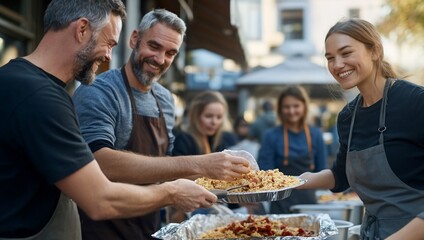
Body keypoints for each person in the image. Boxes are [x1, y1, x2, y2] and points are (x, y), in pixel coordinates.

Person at [0, 1, 242, 238]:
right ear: (82, 29)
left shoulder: (17, 80)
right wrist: (176, 189)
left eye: (170, 53)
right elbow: (99, 198)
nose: (107, 56)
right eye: (108, 43)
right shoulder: (44, 97)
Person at [72, 9, 249, 240]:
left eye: (170, 53)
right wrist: (200, 163)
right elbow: (98, 162)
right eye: (154, 47)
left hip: (151, 228)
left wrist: (234, 185)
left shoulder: (165, 99)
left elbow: (163, 168)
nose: (160, 59)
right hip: (101, 230)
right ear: (135, 38)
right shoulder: (100, 90)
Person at [299, 18, 424, 239]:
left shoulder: (417, 103)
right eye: (330, 58)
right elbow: (340, 176)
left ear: (375, 51)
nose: (337, 64)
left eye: (346, 53)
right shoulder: (348, 116)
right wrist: (289, 182)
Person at [258, 86, 327, 214]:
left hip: (309, 204)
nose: (291, 111)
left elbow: (322, 171)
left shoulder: (316, 134)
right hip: (280, 204)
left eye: (296, 106)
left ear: (304, 107)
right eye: (287, 107)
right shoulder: (271, 136)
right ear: (280, 109)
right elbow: (264, 173)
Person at [171, 91, 240, 220]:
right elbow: (175, 174)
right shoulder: (182, 138)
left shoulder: (220, 140)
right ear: (196, 116)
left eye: (219, 117)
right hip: (188, 209)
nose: (214, 122)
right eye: (208, 116)